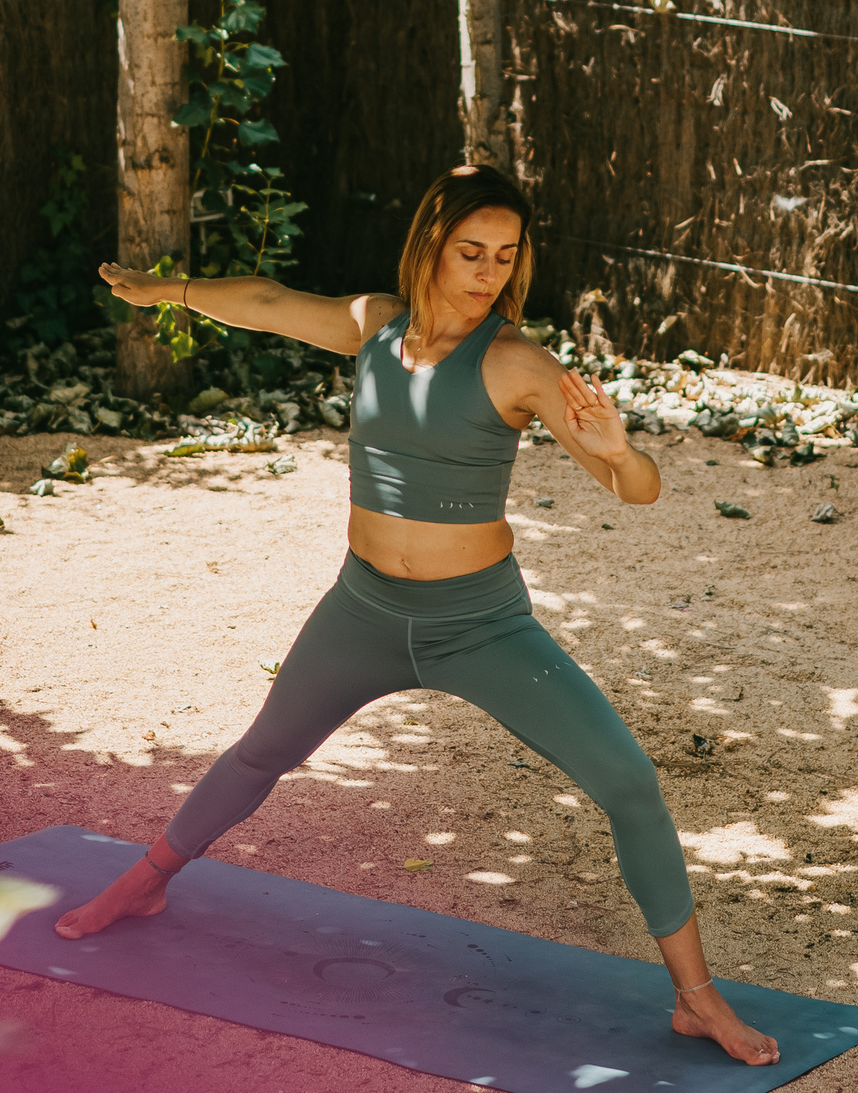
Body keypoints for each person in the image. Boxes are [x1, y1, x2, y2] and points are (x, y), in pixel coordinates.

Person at [54, 164, 779, 1066]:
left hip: (481, 625)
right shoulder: (374, 325)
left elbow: (638, 490)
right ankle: (146, 880)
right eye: (471, 251)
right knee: (262, 750)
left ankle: (697, 999)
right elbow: (269, 301)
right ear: (431, 243)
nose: (487, 272)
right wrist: (165, 291)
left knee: (629, 780)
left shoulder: (516, 362)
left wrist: (621, 452)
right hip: (362, 607)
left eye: (505, 256)